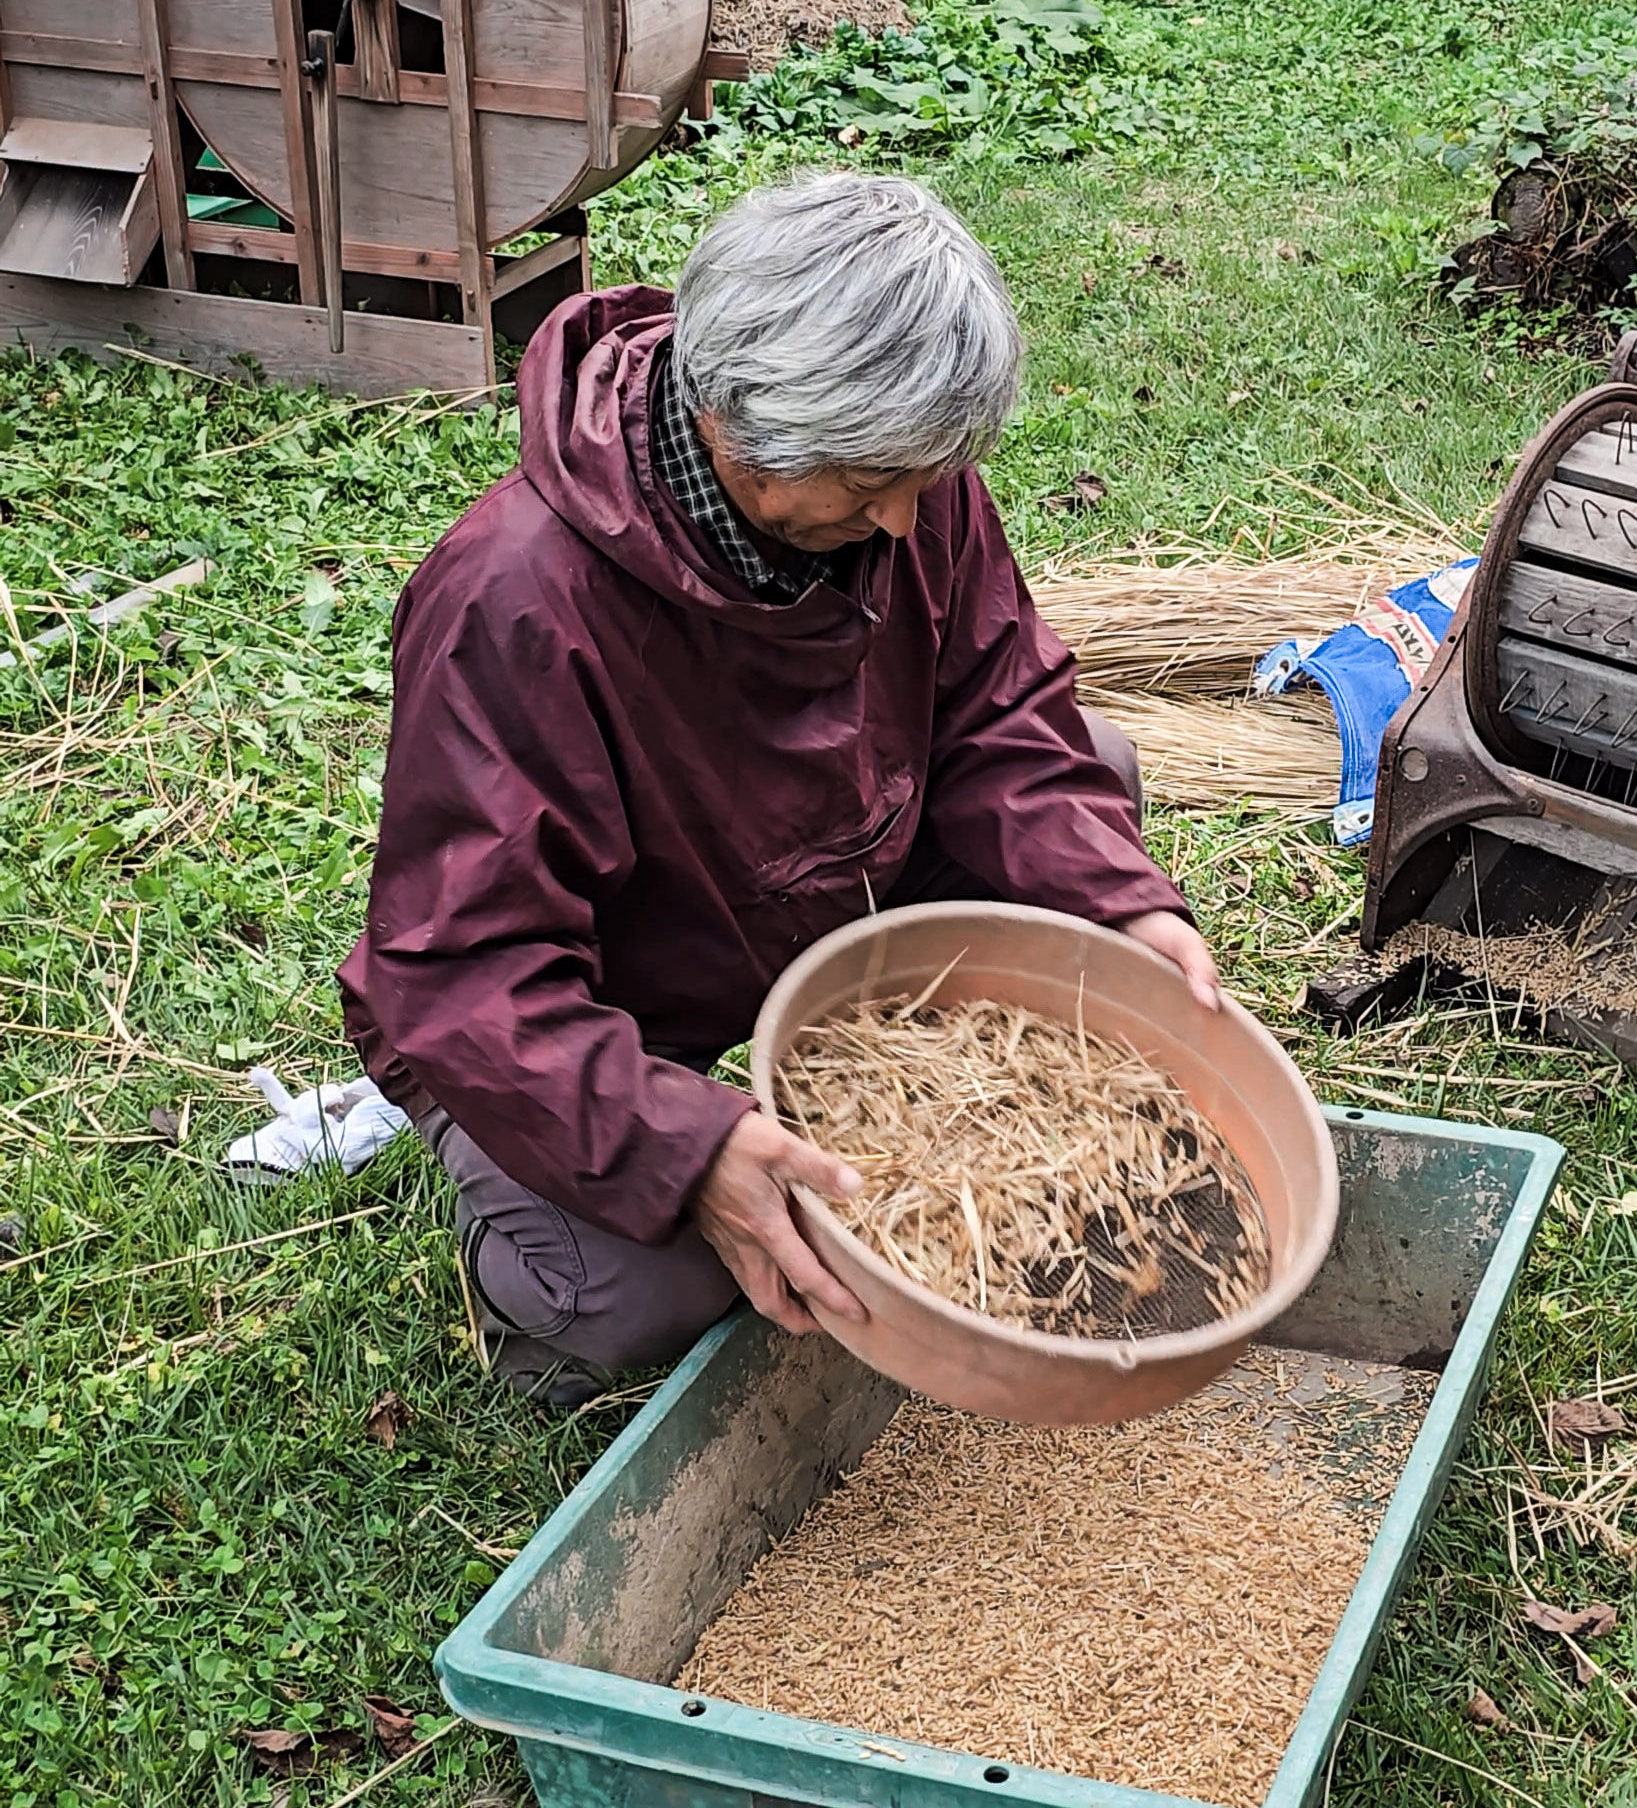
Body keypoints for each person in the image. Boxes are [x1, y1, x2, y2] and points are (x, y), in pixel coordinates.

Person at [338, 171, 1217, 1408]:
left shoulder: (901, 475)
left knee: (1094, 787)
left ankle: (826, 1054)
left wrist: (1127, 900)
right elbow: (466, 968)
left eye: (924, 476)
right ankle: (510, 1224)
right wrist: (688, 1149)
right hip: (600, 992)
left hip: (801, 895)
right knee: (640, 1293)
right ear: (731, 423)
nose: (905, 521)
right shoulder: (515, 603)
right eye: (866, 484)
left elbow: (1002, 709)